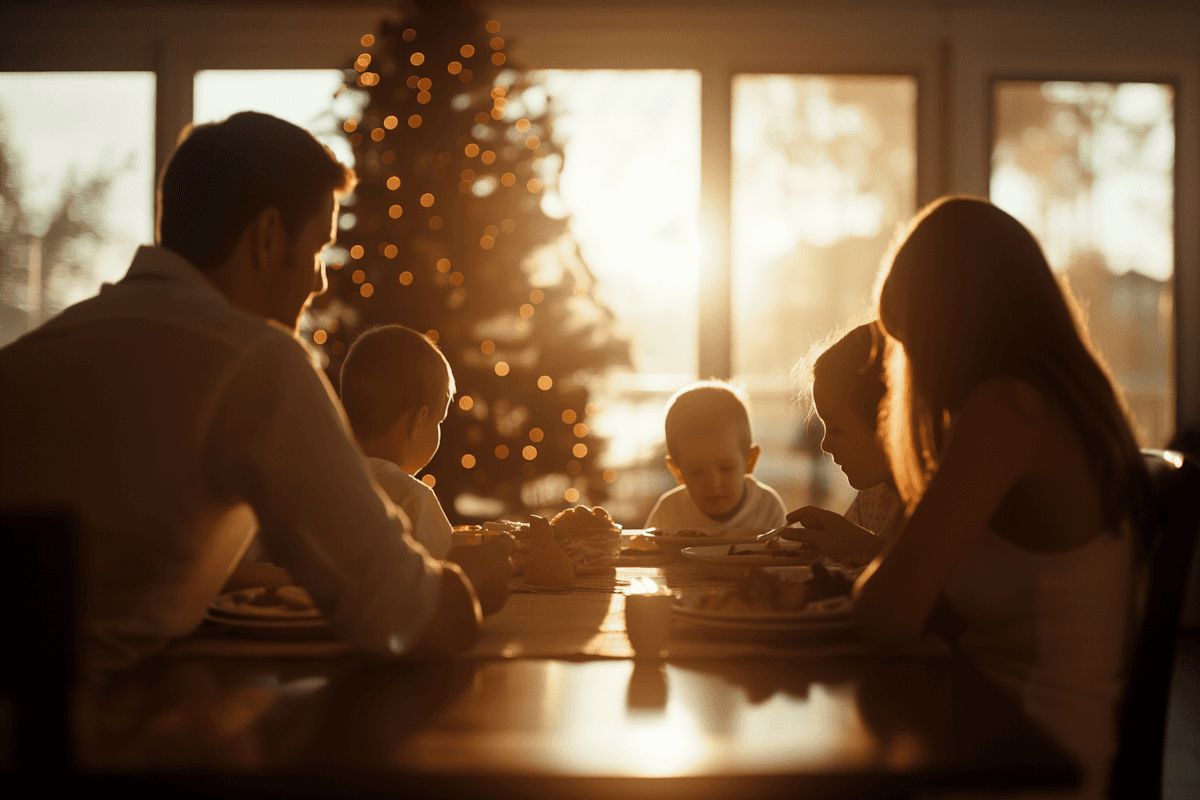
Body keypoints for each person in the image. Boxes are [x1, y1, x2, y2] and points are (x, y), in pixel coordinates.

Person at [0, 112, 493, 678]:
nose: (319, 281)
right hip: (90, 742)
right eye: (316, 249)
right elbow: (405, 616)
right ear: (266, 239)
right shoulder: (255, 361)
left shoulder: (39, 351)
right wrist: (472, 578)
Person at [798, 196, 1147, 799]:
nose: (910, 371)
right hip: (991, 725)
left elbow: (886, 615)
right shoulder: (1048, 402)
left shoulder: (1007, 413)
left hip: (1030, 758)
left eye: (911, 345)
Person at [339, 324, 511, 615]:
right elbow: (452, 585)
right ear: (418, 422)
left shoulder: (320, 481)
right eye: (439, 421)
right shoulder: (414, 498)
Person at [784, 322, 902, 565]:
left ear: (887, 422)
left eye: (837, 429)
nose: (825, 445)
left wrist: (865, 546)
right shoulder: (872, 496)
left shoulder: (944, 498)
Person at [644, 380, 786, 530]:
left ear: (749, 461)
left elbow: (785, 552)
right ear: (677, 471)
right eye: (696, 472)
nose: (713, 483)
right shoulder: (670, 512)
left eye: (726, 468)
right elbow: (644, 552)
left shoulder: (767, 508)